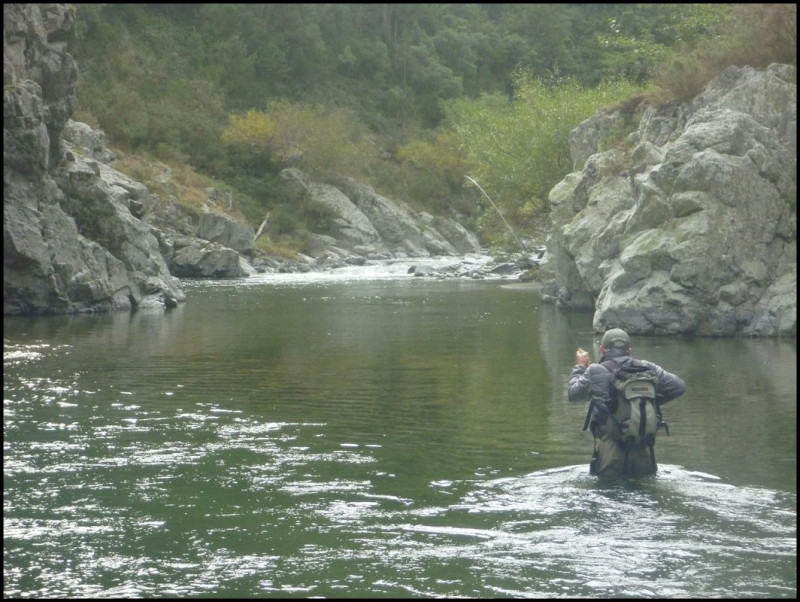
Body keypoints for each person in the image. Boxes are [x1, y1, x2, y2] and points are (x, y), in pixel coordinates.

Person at [568, 328, 686, 478]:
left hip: (609, 451)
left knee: (608, 490)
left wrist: (580, 367)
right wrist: (650, 401)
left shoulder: (595, 371)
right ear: (629, 350)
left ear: (602, 350)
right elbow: (679, 387)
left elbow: (573, 394)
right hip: (642, 450)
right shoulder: (647, 367)